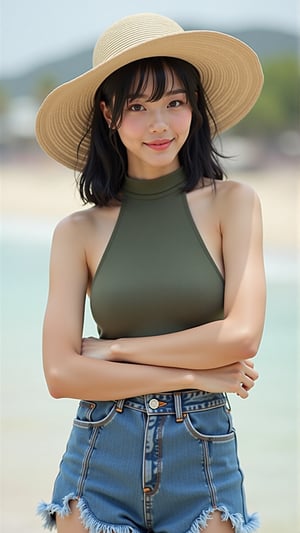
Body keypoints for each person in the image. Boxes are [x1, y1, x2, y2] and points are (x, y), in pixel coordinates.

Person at [36, 12, 266, 533]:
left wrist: (115, 348)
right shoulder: (78, 232)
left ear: (194, 107)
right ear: (109, 113)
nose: (159, 124)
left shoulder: (233, 203)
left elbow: (241, 336)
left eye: (174, 102)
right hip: (99, 455)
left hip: (204, 459)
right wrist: (193, 373)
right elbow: (60, 374)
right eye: (137, 106)